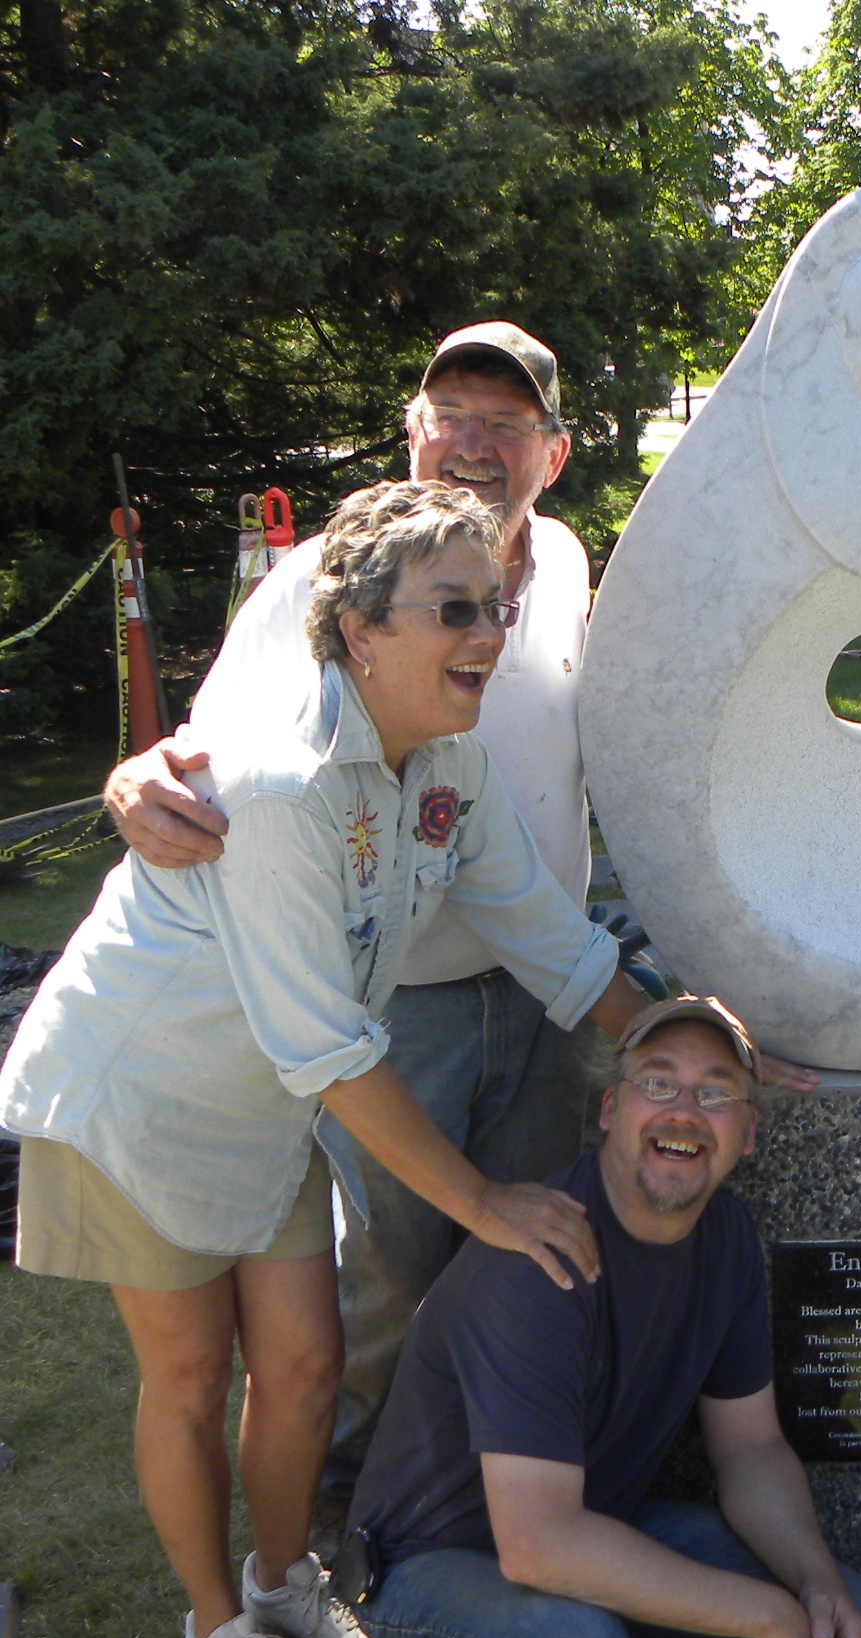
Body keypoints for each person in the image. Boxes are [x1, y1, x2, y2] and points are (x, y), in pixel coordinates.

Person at [0, 482, 671, 1638]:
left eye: (497, 608)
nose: (487, 632)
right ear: (359, 631)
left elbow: (549, 935)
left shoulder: (447, 767)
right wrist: (483, 1203)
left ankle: (282, 1576)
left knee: (303, 1368)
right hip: (140, 1098)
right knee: (194, 1379)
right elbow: (335, 1053)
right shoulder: (283, 780)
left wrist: (680, 1044)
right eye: (452, 610)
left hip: (267, 1106)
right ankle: (219, 1634)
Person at [103, 324, 607, 1496]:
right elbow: (216, 753)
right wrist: (137, 779)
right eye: (452, 418)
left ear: (556, 453)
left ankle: (488, 1481)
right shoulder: (330, 576)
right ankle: (346, 1504)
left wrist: (659, 1019)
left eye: (506, 425)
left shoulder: (573, 566)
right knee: (383, 1275)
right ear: (412, 430)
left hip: (540, 993)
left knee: (526, 1251)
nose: (474, 446)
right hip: (392, 1011)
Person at [348, 996, 861, 1638]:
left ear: (748, 1135)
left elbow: (750, 1448)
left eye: (716, 1093)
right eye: (657, 1082)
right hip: (430, 1565)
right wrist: (758, 1614)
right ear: (609, 1110)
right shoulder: (538, 1257)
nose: (683, 1110)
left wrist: (809, 1584)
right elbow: (535, 1546)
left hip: (592, 1524)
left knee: (845, 1612)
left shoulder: (728, 1239)